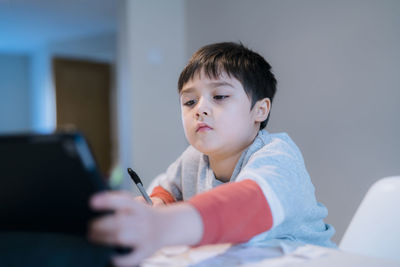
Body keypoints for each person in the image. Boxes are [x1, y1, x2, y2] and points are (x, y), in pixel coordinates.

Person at [88, 42, 336, 266]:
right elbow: (167, 189)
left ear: (260, 110)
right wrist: (156, 205)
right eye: (189, 102)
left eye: (219, 96)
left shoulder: (279, 156)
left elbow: (248, 203)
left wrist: (163, 224)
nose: (200, 109)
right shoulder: (193, 157)